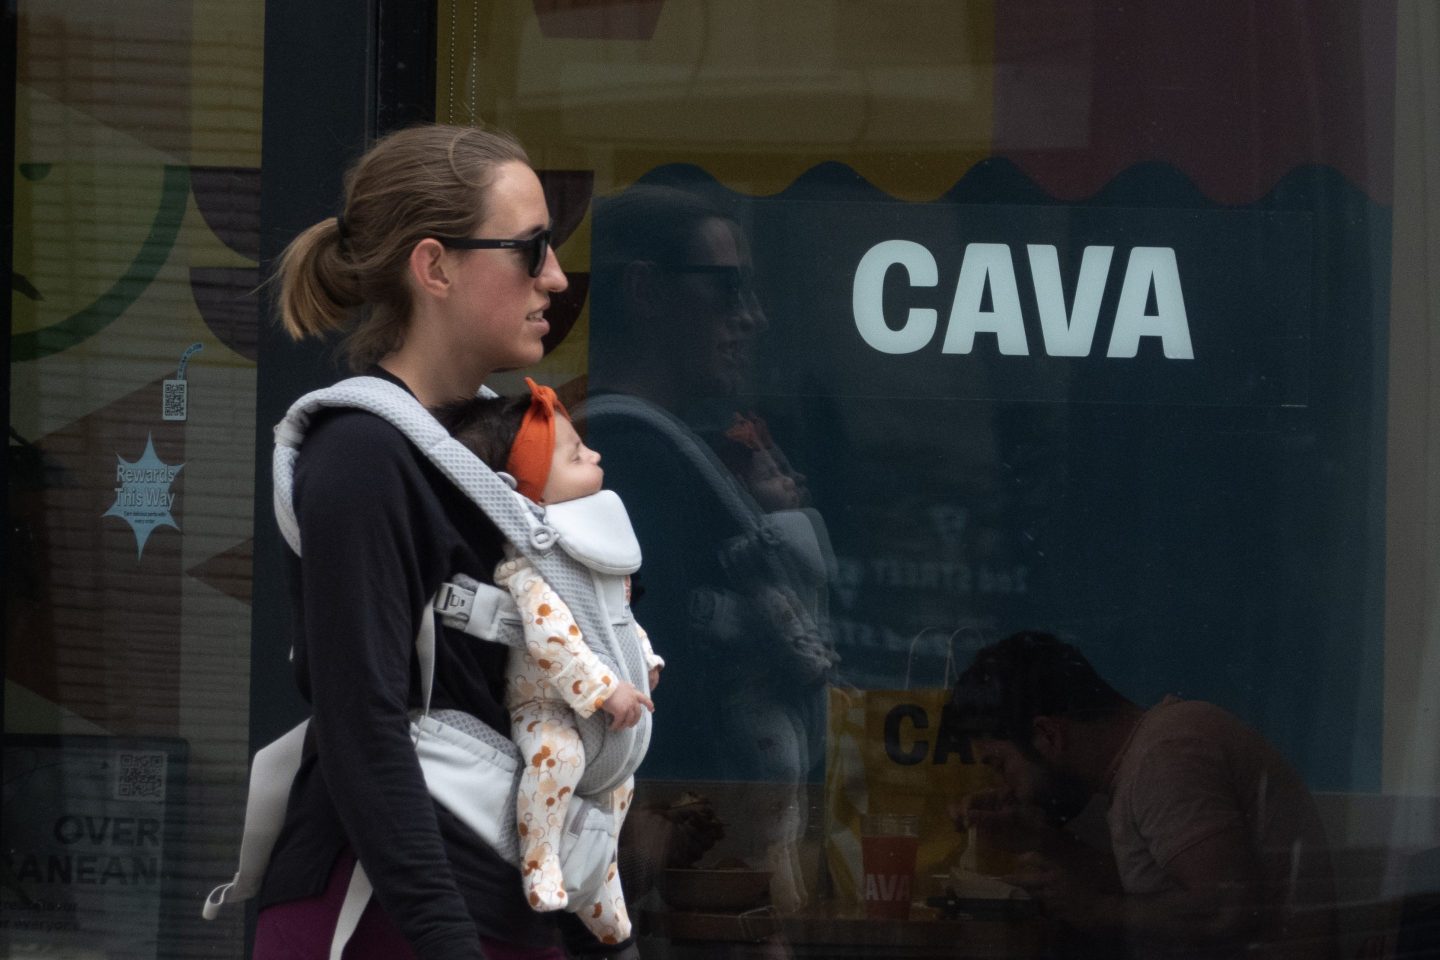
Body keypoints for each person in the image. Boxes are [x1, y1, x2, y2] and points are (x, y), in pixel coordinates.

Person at [258, 123, 625, 960]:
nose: (558, 278)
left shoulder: (478, 445)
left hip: (488, 908)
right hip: (390, 918)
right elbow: (365, 732)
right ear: (434, 267)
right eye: (531, 250)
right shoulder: (361, 457)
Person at [583, 184, 838, 912]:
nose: (750, 318)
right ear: (645, 291)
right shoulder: (626, 459)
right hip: (684, 873)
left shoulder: (664, 453)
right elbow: (668, 688)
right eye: (727, 289)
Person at [432, 377, 664, 944]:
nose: (596, 455)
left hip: (610, 711)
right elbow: (553, 640)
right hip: (548, 706)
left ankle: (602, 893)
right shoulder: (530, 570)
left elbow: (616, 621)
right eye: (577, 455)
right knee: (554, 760)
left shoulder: (593, 555)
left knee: (614, 797)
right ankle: (541, 859)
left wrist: (645, 658)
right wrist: (607, 689)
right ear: (528, 492)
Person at [947, 630, 1337, 960]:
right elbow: (1162, 892)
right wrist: (1044, 841)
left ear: (1048, 735)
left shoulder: (1165, 758)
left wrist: (1095, 910)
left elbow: (1225, 910)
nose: (1007, 788)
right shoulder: (1151, 756)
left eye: (1000, 765)